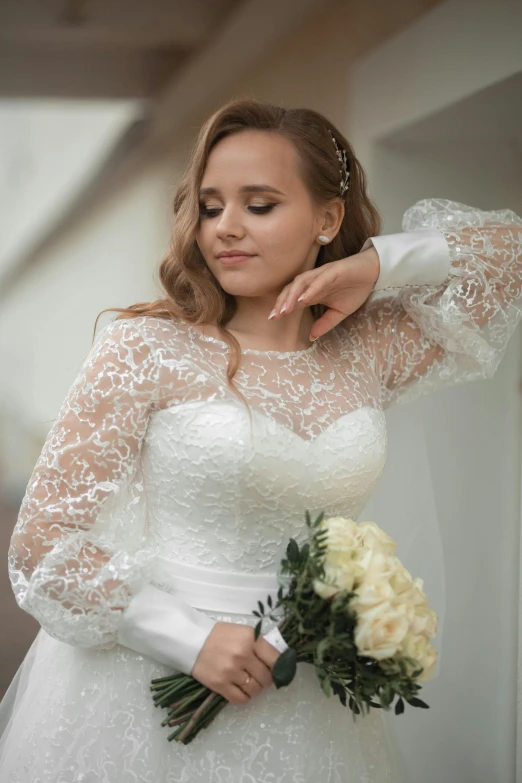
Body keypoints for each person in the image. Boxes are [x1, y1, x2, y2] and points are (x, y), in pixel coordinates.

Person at [1, 97, 521, 782]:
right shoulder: (145, 348)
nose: (226, 229)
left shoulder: (368, 349)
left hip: (309, 701)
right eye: (211, 206)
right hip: (148, 688)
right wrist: (185, 638)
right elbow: (43, 549)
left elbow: (507, 260)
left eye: (260, 204)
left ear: (326, 218)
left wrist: (374, 265)